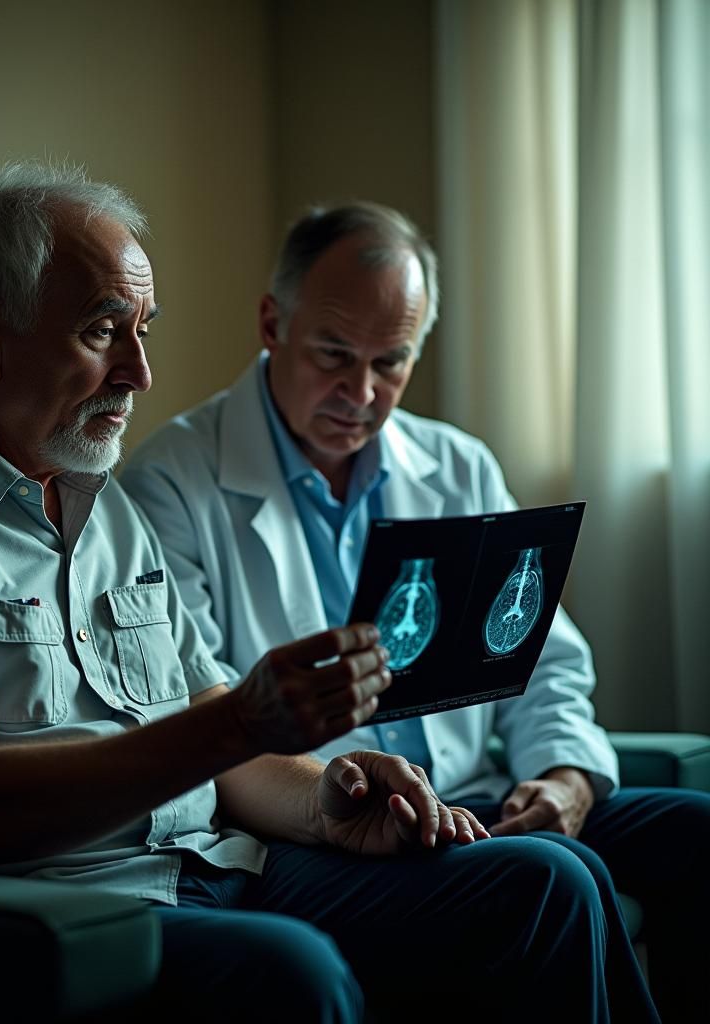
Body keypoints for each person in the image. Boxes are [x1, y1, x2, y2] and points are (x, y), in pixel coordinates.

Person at [0, 167, 657, 1024]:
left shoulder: (100, 506)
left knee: (544, 883)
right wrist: (239, 723)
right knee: (292, 973)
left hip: (215, 862)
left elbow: (211, 726)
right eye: (102, 331)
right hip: (64, 907)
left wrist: (330, 801)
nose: (140, 373)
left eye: (143, 331)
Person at [120, 201, 710, 1022]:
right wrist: (345, 800)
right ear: (271, 322)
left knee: (698, 830)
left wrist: (567, 779)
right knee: (550, 878)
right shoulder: (172, 486)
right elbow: (204, 714)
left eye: (390, 363)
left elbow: (545, 658)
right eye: (333, 354)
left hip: (479, 794)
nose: (360, 393)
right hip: (317, 825)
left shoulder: (456, 465)